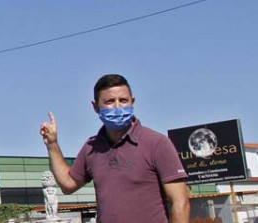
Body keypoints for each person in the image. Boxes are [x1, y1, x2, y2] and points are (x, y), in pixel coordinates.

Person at [39, 74, 189, 223]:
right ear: (95, 107)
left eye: (123, 100)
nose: (118, 107)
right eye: (110, 101)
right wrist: (52, 145)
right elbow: (68, 184)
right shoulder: (92, 148)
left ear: (133, 102)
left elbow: (180, 203)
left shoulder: (157, 143)